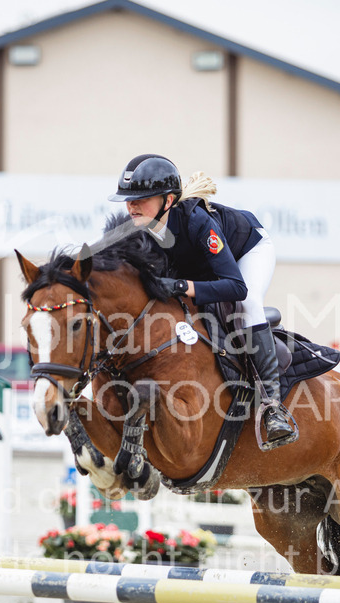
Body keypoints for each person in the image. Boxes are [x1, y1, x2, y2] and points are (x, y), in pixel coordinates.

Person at [107, 153, 297, 450]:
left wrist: (182, 285)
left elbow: (235, 286)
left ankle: (272, 407)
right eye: (128, 200)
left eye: (140, 199)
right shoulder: (136, 232)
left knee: (246, 308)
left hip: (246, 253)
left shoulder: (197, 222)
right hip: (205, 270)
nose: (131, 206)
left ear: (168, 201)